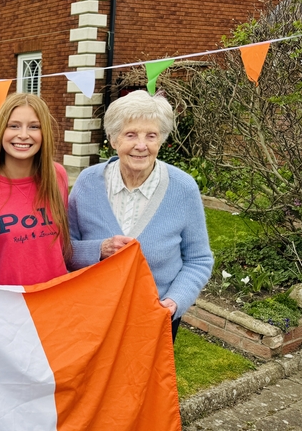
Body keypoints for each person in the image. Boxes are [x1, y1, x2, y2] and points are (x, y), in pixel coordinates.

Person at [68, 90, 213, 341]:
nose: (141, 145)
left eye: (151, 136)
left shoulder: (183, 188)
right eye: (131, 134)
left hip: (154, 317)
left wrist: (174, 301)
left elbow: (198, 259)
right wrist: (99, 249)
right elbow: (64, 248)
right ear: (113, 139)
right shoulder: (87, 183)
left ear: (161, 140)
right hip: (94, 313)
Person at [0, 93, 71, 286]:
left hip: (55, 299)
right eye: (14, 126)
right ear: (1, 130)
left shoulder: (57, 176)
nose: (24, 135)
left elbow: (62, 246)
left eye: (34, 127)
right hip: (2, 303)